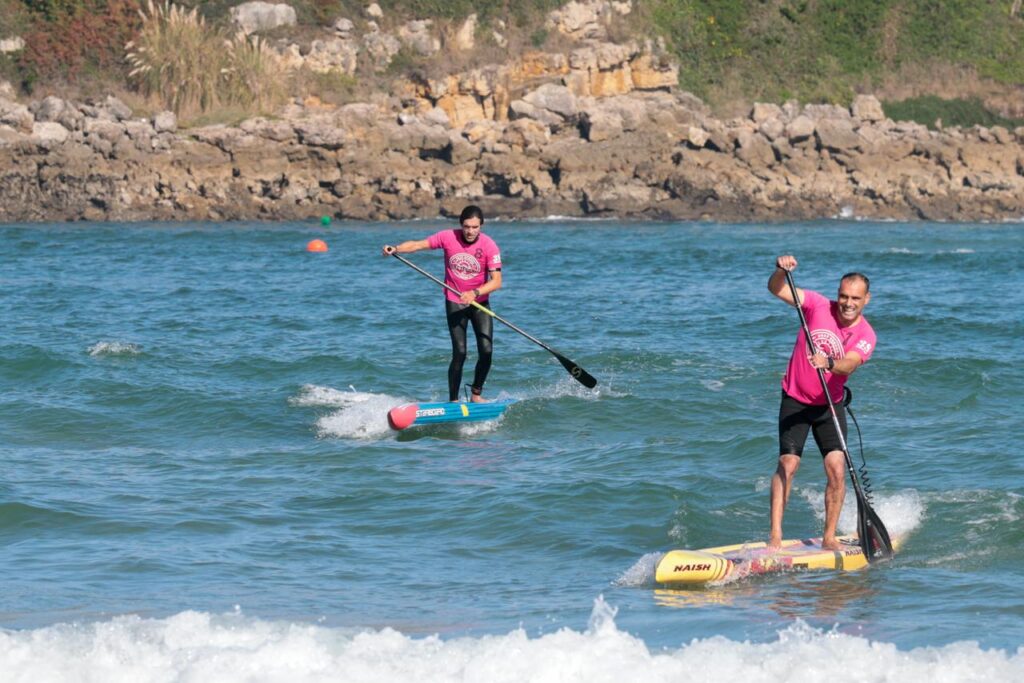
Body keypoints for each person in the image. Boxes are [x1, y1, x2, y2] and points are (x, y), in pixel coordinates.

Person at [767, 255, 876, 551]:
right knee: (787, 464)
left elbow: (849, 364)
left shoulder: (866, 334)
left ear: (866, 299)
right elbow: (777, 289)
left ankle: (829, 538)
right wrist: (781, 271)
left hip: (830, 406)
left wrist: (827, 362)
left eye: (855, 298)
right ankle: (775, 536)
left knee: (837, 468)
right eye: (843, 295)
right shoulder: (816, 305)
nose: (847, 302)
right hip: (795, 399)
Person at [382, 205, 502, 403]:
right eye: (466, 226)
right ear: (460, 225)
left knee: (486, 351)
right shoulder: (448, 237)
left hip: (479, 303)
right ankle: (453, 400)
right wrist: (396, 249)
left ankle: (476, 394)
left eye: (474, 227)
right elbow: (418, 245)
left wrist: (475, 292)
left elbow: (497, 281)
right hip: (455, 302)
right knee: (460, 352)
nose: (470, 231)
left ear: (481, 226)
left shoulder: (490, 246)